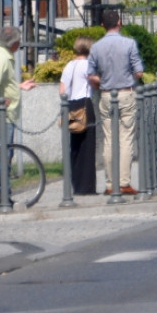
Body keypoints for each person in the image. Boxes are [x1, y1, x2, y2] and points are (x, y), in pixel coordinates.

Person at [88, 10, 143, 196]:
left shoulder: (96, 47)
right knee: (126, 138)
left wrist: (102, 82)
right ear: (119, 23)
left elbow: (90, 75)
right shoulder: (129, 44)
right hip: (126, 93)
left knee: (109, 140)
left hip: (105, 94)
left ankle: (111, 183)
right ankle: (124, 182)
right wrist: (128, 77)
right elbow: (139, 72)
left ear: (102, 25)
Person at [0, 26, 33, 206]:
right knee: (3, 156)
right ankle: (2, 196)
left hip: (6, 114)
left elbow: (3, 82)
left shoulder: (1, 55)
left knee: (4, 155)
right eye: (19, 41)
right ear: (14, 43)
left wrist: (19, 87)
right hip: (4, 116)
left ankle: (1, 195)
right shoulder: (3, 58)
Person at [60, 36, 97, 196]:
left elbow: (62, 90)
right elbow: (94, 81)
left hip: (72, 105)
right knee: (87, 147)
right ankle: (87, 186)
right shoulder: (88, 65)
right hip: (85, 104)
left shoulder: (69, 65)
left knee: (74, 146)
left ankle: (75, 183)